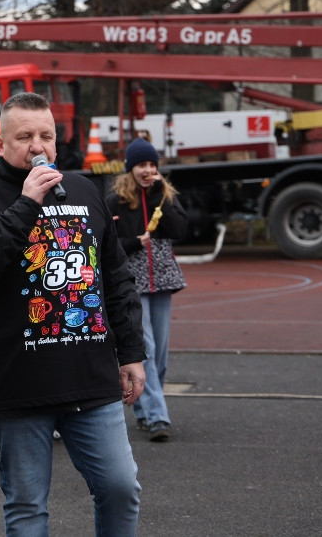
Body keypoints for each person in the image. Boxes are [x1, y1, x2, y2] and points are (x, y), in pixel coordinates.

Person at [0, 92, 146, 536]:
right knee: (27, 507)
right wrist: (25, 204)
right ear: (0, 144)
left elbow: (114, 275)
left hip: (90, 377)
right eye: (24, 137)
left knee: (120, 487)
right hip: (19, 385)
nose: (37, 146)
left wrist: (132, 351)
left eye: (46, 136)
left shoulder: (83, 188)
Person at [105, 137, 188, 443]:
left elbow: (181, 230)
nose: (148, 171)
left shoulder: (164, 195)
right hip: (132, 282)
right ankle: (157, 416)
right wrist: (131, 242)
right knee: (148, 350)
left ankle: (144, 409)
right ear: (131, 168)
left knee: (161, 354)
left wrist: (159, 198)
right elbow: (107, 242)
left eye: (152, 165)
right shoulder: (116, 200)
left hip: (162, 279)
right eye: (142, 165)